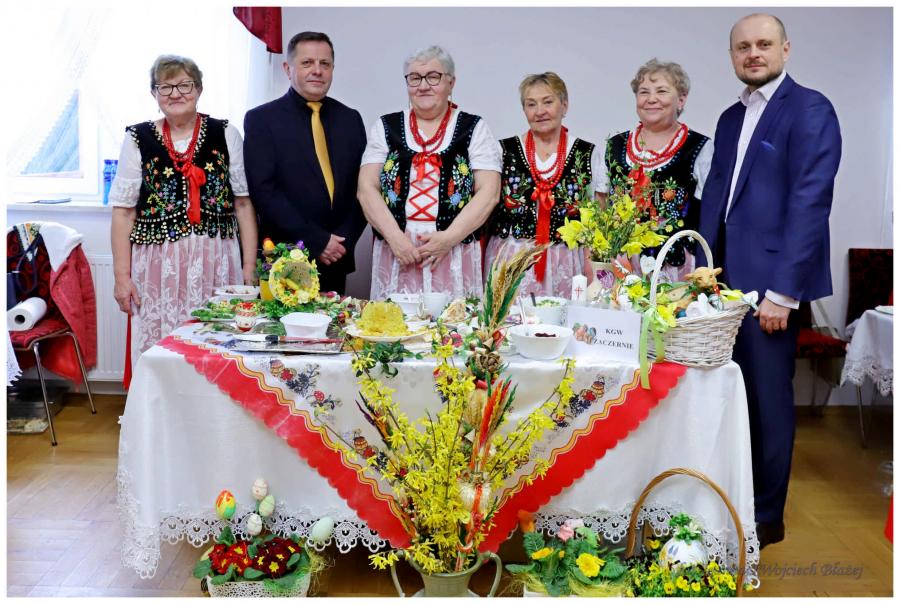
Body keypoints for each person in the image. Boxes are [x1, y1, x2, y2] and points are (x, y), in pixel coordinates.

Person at [698, 14, 841, 549]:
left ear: (785, 48)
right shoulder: (730, 117)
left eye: (763, 44)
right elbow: (718, 197)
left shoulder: (810, 109)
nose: (752, 53)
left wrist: (783, 293)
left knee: (767, 403)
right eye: (742, 47)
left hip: (771, 291)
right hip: (723, 286)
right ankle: (730, 501)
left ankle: (765, 517)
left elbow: (810, 202)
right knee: (727, 397)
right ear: (732, 55)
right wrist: (703, 270)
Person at [110, 54, 258, 364]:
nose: (175, 94)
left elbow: (243, 204)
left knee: (217, 347)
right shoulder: (137, 138)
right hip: (156, 267)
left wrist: (248, 267)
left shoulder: (226, 133)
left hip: (217, 262)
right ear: (154, 93)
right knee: (160, 351)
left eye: (184, 85)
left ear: (199, 89)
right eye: (165, 87)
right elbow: (123, 212)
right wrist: (122, 277)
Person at [357, 45, 501, 299]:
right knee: (395, 320)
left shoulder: (474, 128)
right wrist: (395, 238)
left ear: (451, 82)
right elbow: (366, 188)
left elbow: (489, 192)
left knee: (453, 321)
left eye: (433, 77)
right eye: (415, 78)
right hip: (397, 250)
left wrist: (448, 239)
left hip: (453, 249)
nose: (423, 86)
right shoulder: (386, 126)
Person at [244, 31, 367, 294]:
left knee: (335, 322)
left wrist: (341, 243)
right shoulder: (262, 120)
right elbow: (264, 192)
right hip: (285, 257)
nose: (317, 71)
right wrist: (317, 241)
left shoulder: (351, 119)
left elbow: (364, 189)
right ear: (288, 69)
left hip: (336, 257)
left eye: (325, 64)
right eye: (307, 63)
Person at [485, 72, 602, 298]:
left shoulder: (587, 154)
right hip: (512, 258)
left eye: (548, 102)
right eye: (531, 104)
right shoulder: (503, 151)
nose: (540, 111)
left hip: (566, 261)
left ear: (564, 106)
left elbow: (596, 217)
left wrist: (592, 267)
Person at [598, 59, 713, 282]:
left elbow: (709, 213)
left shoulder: (700, 148)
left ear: (681, 99)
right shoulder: (615, 145)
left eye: (661, 91)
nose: (651, 99)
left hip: (676, 264)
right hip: (623, 263)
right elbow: (601, 207)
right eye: (644, 92)